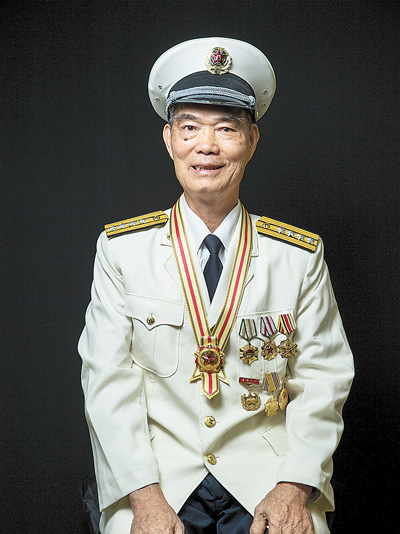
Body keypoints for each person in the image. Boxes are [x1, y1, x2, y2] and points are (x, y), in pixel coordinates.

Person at [79, 37, 354, 534]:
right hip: (157, 472)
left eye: (226, 128)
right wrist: (144, 497)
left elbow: (323, 379)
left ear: (252, 140)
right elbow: (107, 382)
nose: (206, 146)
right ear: (169, 140)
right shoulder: (122, 251)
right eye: (190, 128)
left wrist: (294, 486)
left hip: (267, 473)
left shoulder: (298, 256)